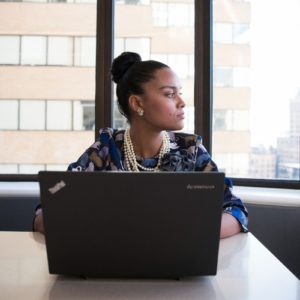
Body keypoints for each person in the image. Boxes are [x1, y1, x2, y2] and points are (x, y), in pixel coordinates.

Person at [33, 51, 248, 238]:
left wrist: (188, 231)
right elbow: (48, 206)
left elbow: (235, 209)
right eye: (169, 94)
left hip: (178, 267)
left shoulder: (191, 150)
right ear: (137, 103)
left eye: (179, 93)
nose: (182, 102)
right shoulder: (105, 150)